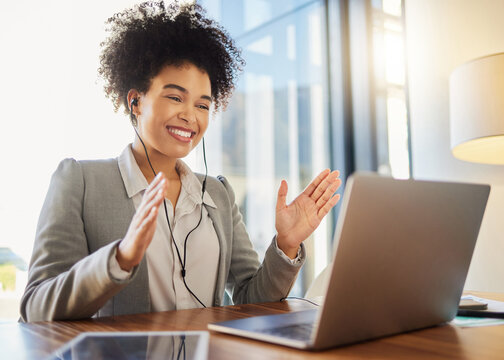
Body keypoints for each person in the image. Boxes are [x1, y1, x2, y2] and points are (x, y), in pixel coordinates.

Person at [20, 1, 341, 322]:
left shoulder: (218, 194)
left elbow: (250, 299)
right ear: (135, 101)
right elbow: (36, 307)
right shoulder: (80, 181)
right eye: (175, 97)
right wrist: (120, 259)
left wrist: (286, 244)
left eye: (203, 105)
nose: (190, 116)